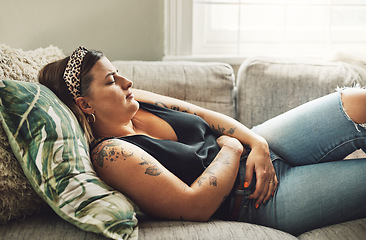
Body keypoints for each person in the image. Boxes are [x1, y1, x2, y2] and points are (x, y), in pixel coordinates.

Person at [38, 46, 366, 236]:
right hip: (256, 198)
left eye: (120, 73)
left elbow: (202, 114)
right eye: (112, 80)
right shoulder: (112, 154)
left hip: (263, 147)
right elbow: (193, 205)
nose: (127, 82)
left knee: (356, 101)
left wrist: (256, 143)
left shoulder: (136, 100)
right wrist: (234, 147)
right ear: (85, 104)